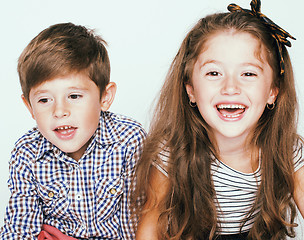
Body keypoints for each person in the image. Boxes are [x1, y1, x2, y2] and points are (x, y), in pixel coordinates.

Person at [133, 0, 304, 239]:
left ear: (272, 92)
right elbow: (150, 223)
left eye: (248, 73)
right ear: (190, 89)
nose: (231, 87)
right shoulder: (171, 150)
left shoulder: (287, 149)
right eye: (214, 73)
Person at [0, 22, 145, 239]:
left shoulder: (128, 140)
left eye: (74, 96)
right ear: (29, 107)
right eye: (44, 100)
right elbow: (19, 227)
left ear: (104, 97)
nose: (59, 111)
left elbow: (135, 225)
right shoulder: (27, 152)